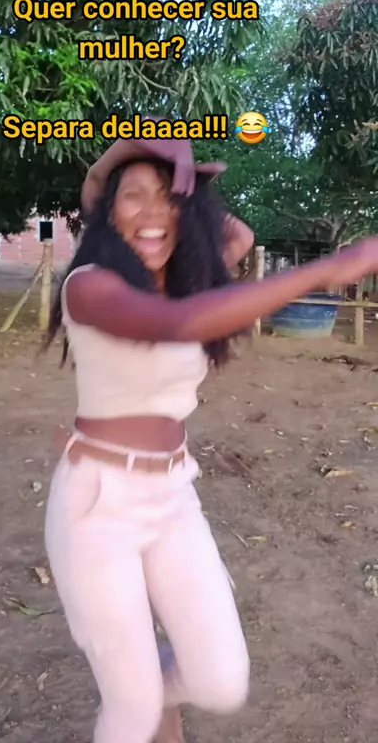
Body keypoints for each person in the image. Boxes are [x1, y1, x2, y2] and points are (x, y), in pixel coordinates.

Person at [43, 127, 378, 743]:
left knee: (221, 682)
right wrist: (327, 269)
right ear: (106, 211)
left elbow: (237, 235)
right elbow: (176, 325)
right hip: (97, 505)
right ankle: (138, 700)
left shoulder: (189, 278)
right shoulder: (89, 284)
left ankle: (147, 691)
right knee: (132, 712)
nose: (153, 213)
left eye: (169, 198)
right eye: (133, 196)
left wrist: (187, 190)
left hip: (173, 495)